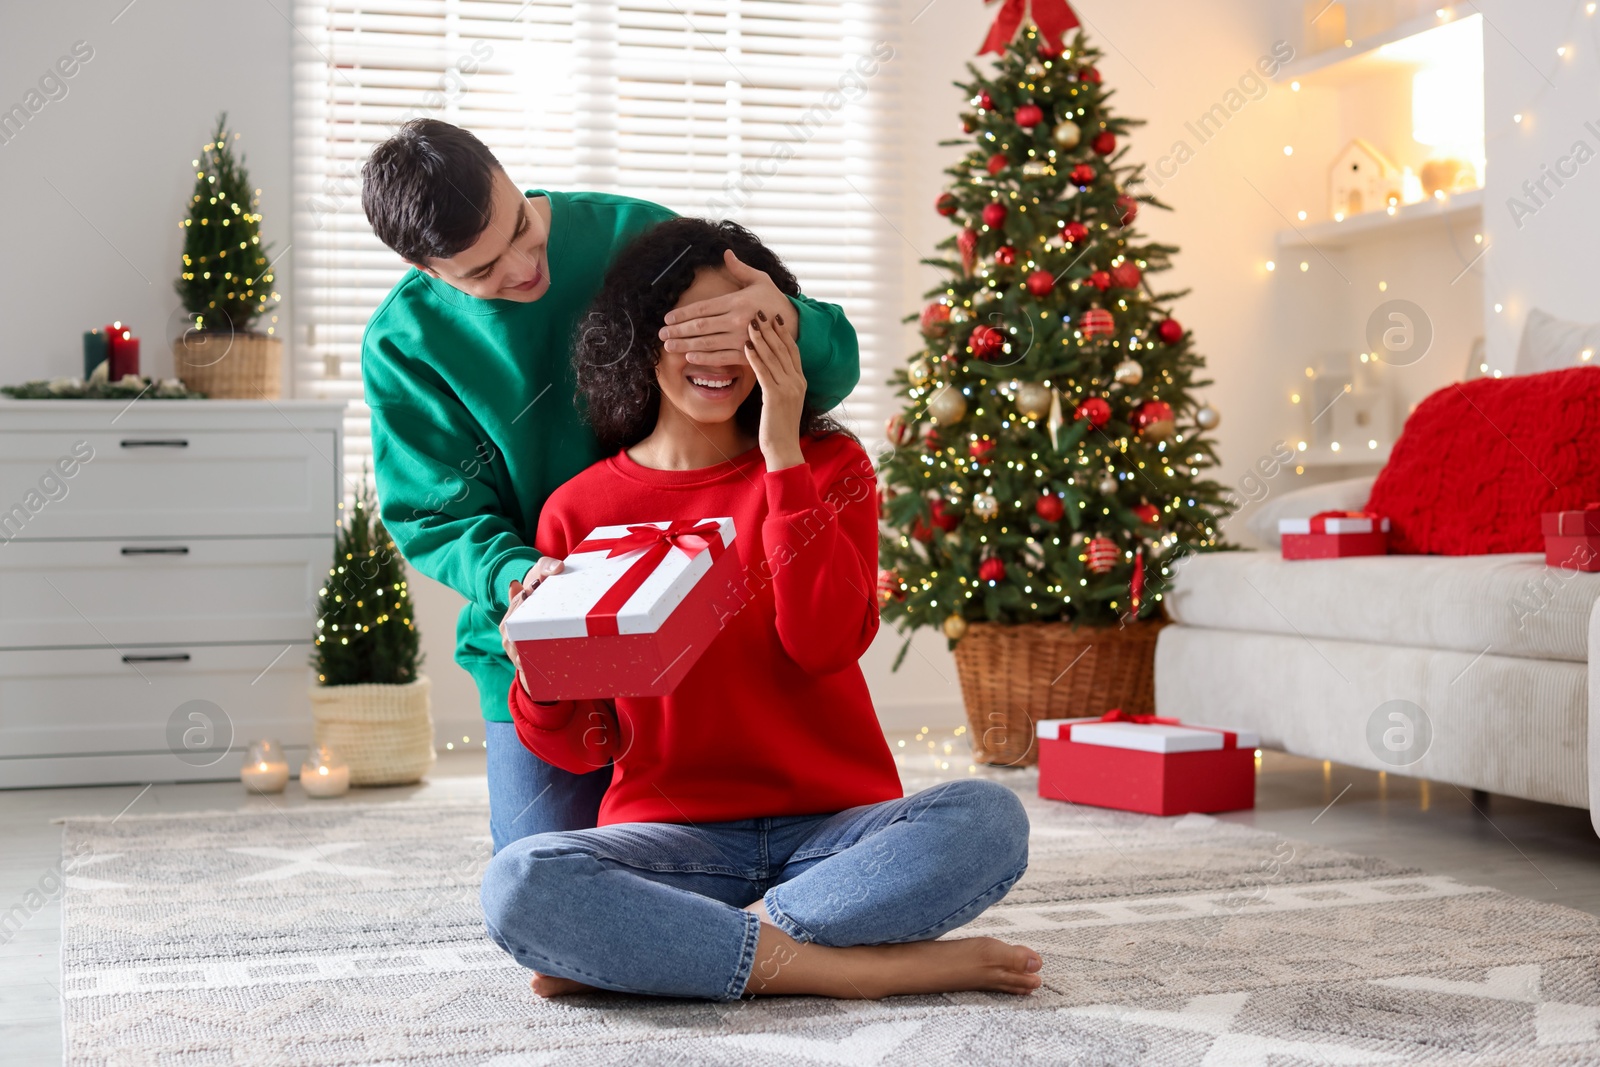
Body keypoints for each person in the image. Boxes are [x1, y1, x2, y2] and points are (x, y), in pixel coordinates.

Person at [480, 218, 1039, 1001]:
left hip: (837, 834)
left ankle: (687, 952)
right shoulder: (579, 510)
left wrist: (783, 457)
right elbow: (583, 744)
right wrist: (535, 670)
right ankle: (852, 971)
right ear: (640, 339)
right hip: (676, 843)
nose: (719, 359)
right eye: (693, 333)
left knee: (988, 818)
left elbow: (824, 643)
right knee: (520, 880)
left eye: (743, 332)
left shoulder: (830, 466)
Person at [358, 121, 863, 853]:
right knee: (545, 873)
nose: (527, 266)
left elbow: (830, 372)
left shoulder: (635, 236)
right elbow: (434, 516)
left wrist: (785, 318)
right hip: (548, 642)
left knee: (724, 852)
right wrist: (518, 577)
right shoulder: (405, 344)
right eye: (485, 271)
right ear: (423, 267)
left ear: (508, 173)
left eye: (523, 228)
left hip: (702, 616)